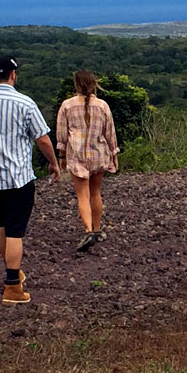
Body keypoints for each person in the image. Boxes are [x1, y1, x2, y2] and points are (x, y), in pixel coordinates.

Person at [0, 55, 62, 305]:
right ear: (13, 74)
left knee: (2, 225)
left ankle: (13, 271)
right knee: (16, 231)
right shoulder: (25, 103)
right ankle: (12, 287)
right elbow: (43, 139)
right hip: (18, 178)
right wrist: (53, 162)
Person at [55, 70, 120, 252]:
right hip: (99, 154)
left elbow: (61, 134)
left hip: (77, 155)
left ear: (76, 85)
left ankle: (88, 230)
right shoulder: (102, 105)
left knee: (82, 195)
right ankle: (98, 229)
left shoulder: (67, 105)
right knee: (95, 193)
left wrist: (61, 156)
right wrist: (114, 155)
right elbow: (110, 133)